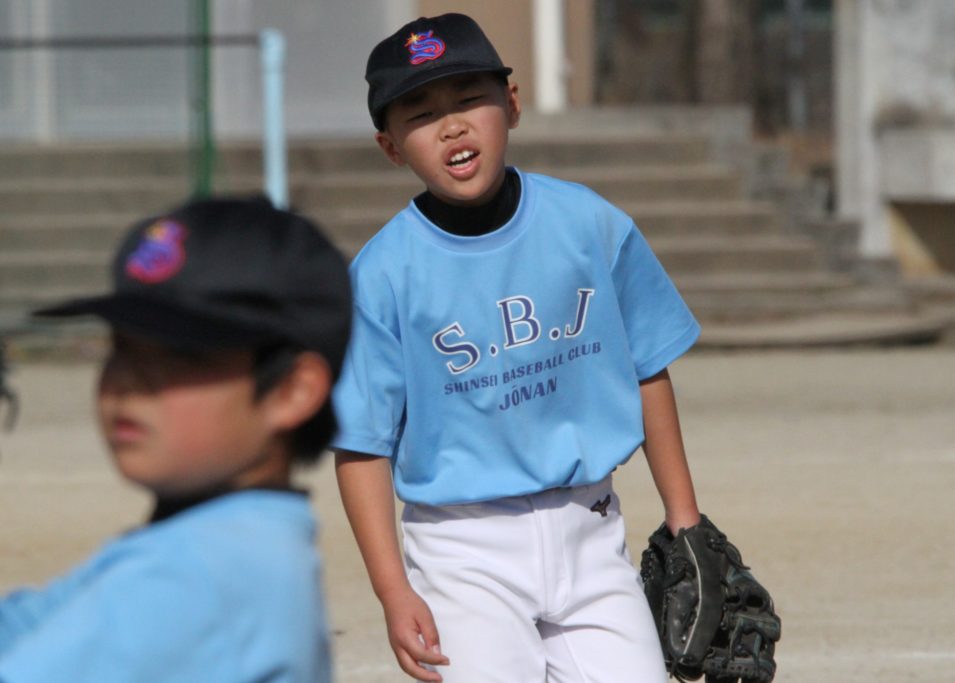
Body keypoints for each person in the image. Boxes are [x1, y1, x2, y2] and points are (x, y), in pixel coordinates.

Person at [333, 13, 702, 683]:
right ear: (390, 146)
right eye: (421, 114)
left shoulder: (587, 223)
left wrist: (686, 519)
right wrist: (393, 589)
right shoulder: (383, 275)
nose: (451, 126)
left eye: (469, 98)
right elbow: (361, 443)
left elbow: (647, 366)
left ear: (511, 103)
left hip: (590, 527)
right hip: (461, 549)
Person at [0, 197, 351, 682]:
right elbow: (29, 625)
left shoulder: (197, 576)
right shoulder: (233, 539)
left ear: (293, 391)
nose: (130, 380)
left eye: (185, 355)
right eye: (123, 347)